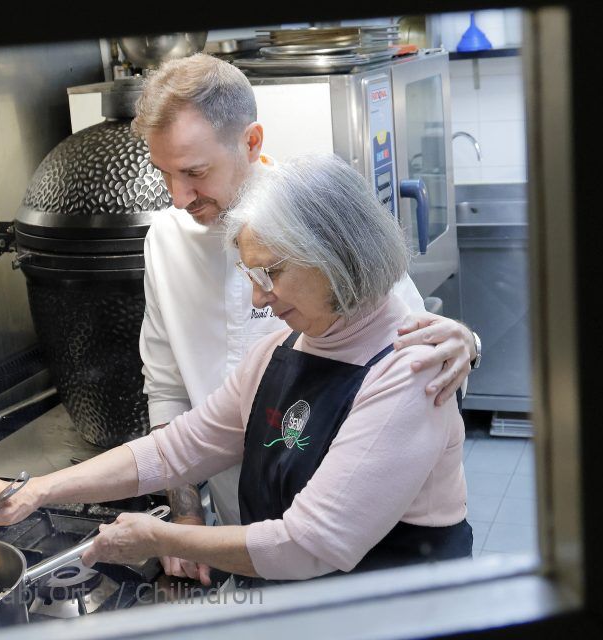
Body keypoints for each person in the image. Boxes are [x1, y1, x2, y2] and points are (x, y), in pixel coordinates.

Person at [0, 153, 471, 583]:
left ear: (335, 255)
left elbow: (308, 545)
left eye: (270, 273)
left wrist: (158, 537)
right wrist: (37, 491)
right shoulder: (280, 351)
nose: (259, 298)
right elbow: (177, 448)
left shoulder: (412, 370)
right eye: (251, 275)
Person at [130, 54, 479, 583]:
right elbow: (167, 391)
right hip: (239, 528)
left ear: (251, 141)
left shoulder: (316, 218)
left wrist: (468, 343)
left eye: (195, 173)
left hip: (358, 542)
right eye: (165, 174)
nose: (178, 198)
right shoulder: (164, 240)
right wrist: (185, 513)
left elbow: (416, 348)